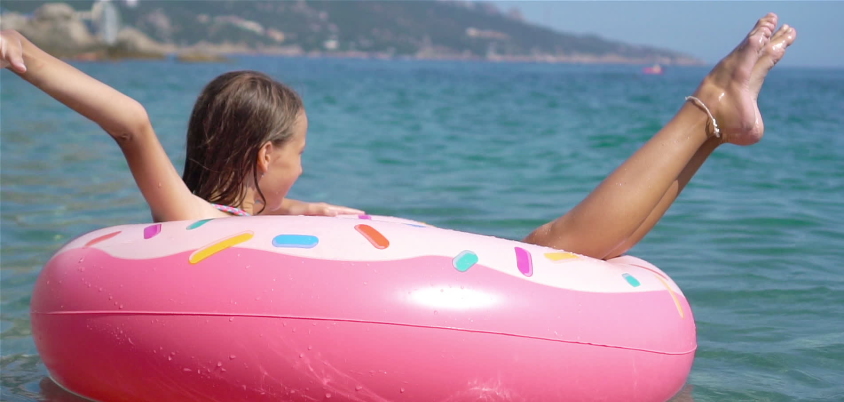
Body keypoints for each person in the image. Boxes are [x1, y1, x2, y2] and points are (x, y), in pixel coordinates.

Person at [0, 13, 796, 260]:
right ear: (262, 155)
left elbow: (284, 225)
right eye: (300, 150)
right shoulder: (188, 219)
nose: (307, 167)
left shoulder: (269, 219)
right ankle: (705, 111)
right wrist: (22, 52)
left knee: (570, 248)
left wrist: (304, 211)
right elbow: (132, 120)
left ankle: (714, 123)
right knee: (561, 244)